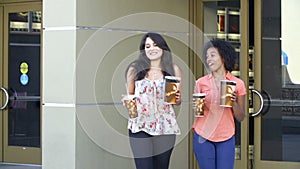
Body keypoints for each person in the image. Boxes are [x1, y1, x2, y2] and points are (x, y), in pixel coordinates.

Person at [124, 32, 182, 169]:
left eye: (155, 45)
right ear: (144, 49)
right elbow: (130, 95)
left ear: (163, 48)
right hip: (140, 125)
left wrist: (178, 99)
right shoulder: (135, 69)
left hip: (165, 126)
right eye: (148, 46)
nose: (152, 49)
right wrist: (128, 102)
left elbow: (175, 100)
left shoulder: (173, 69)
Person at [193, 38, 246, 169]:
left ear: (223, 56)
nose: (208, 59)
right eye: (207, 56)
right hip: (203, 135)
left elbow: (241, 116)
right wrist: (196, 107)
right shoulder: (201, 82)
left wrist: (233, 102)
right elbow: (197, 113)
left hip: (226, 136)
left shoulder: (237, 84)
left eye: (212, 55)